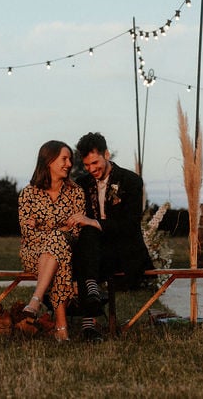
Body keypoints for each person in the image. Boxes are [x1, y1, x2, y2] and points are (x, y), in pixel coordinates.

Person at [72, 131, 153, 342]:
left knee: (88, 235)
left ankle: (88, 323)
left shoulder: (131, 181)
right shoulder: (82, 183)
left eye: (95, 163)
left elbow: (130, 225)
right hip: (93, 250)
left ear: (106, 154)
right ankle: (92, 296)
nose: (91, 169)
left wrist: (94, 222)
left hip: (123, 251)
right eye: (87, 165)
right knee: (85, 240)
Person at [18, 140, 93, 342]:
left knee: (59, 247)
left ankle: (36, 301)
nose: (69, 164)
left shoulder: (76, 192)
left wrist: (43, 224)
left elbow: (76, 232)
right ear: (48, 161)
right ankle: (61, 328)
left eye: (70, 159)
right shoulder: (28, 194)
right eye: (64, 159)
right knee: (59, 246)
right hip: (34, 253)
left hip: (65, 251)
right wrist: (59, 229)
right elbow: (28, 233)